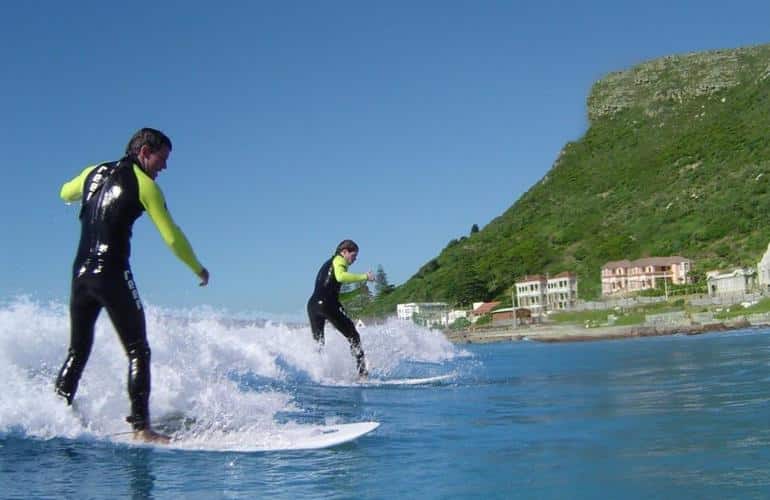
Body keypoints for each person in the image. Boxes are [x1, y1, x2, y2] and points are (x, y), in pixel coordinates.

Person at [54, 128, 210, 444]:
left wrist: (84, 192)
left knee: (78, 351)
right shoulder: (145, 186)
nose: (164, 167)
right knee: (139, 349)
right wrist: (198, 268)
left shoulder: (92, 172)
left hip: (80, 274)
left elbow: (64, 193)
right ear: (144, 152)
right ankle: (142, 428)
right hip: (111, 273)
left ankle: (55, 416)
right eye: (162, 159)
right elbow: (172, 236)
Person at [307, 239, 375, 378]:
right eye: (353, 255)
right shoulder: (339, 260)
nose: (355, 259)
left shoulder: (329, 263)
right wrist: (365, 277)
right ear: (344, 252)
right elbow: (341, 276)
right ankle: (362, 374)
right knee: (354, 336)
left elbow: (333, 294)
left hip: (314, 305)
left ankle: (314, 374)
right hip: (327, 304)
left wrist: (357, 292)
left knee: (318, 343)